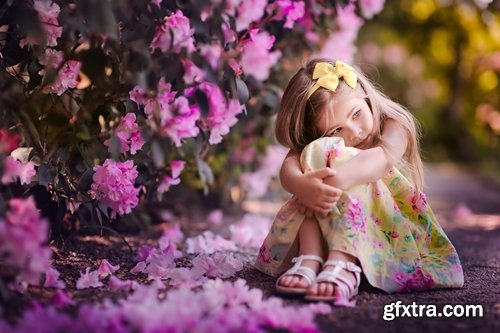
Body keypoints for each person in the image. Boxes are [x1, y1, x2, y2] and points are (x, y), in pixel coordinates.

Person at [254, 59, 464, 305]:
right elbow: (288, 168)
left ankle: (344, 262)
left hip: (389, 230)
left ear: (365, 96)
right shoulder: (325, 146)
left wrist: (333, 181)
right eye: (336, 130)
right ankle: (310, 257)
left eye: (356, 114)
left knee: (348, 162)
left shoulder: (395, 124)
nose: (353, 132)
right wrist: (304, 186)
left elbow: (379, 160)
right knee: (315, 153)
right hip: (327, 222)